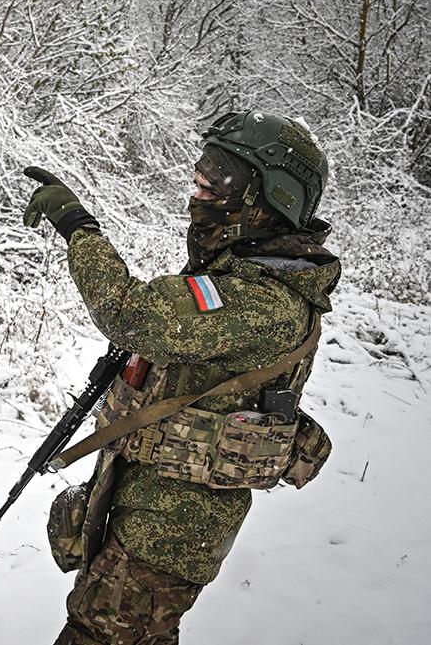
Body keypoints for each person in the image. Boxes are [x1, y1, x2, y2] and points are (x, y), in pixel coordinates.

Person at [23, 111, 340, 644]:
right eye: (201, 176)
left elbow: (130, 312)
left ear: (268, 200)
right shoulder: (241, 278)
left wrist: (80, 229)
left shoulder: (264, 301)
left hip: (169, 531)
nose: (198, 191)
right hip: (146, 506)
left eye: (215, 182)